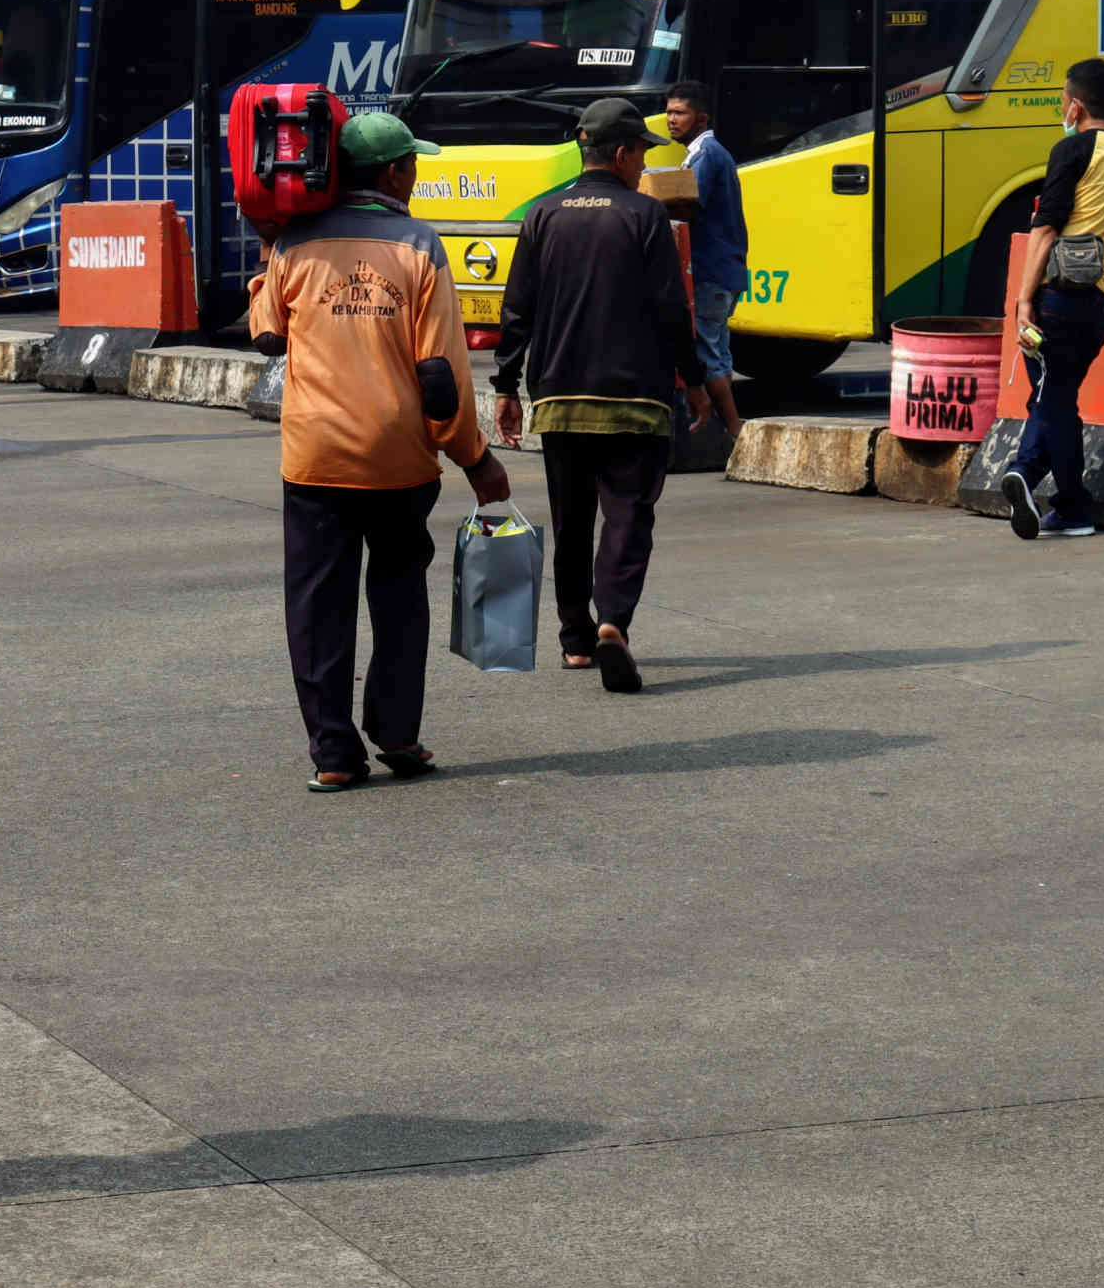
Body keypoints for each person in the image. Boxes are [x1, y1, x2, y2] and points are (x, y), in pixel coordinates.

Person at [247, 109, 511, 791]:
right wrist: (475, 458)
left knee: (316, 604)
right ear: (394, 172)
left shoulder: (296, 243)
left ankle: (334, 754)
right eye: (413, 164)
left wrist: (265, 263)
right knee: (397, 598)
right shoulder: (420, 245)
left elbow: (266, 333)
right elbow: (441, 377)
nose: (417, 174)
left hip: (315, 458)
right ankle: (395, 734)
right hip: (397, 458)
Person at [492, 97, 710, 694]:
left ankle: (574, 641)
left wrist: (506, 385)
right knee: (628, 516)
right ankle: (612, 620)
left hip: (559, 396)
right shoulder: (644, 216)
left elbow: (518, 310)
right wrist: (694, 382)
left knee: (572, 521)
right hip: (634, 399)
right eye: (640, 151)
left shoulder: (542, 215)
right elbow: (672, 309)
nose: (643, 163)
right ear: (619, 154)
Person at [1001, 57, 1104, 541]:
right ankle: (1068, 506)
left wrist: (1024, 302)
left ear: (1077, 106)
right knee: (1058, 397)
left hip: (1059, 298)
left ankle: (1030, 475)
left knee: (1051, 397)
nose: (1062, 108)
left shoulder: (1071, 151)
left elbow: (1044, 230)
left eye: (1064, 100)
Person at [660, 82, 747, 442]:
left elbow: (688, 206)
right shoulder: (701, 154)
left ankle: (735, 430)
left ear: (701, 117)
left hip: (711, 273)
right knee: (720, 355)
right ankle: (728, 436)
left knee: (707, 353)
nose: (671, 120)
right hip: (724, 272)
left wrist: (648, 204)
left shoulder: (706, 155)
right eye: (668, 113)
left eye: (679, 113)